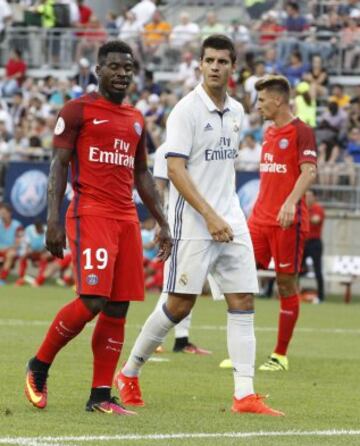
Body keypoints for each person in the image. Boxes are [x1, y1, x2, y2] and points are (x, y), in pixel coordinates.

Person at [113, 35, 284, 416]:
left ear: (233, 65)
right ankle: (129, 371)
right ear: (201, 65)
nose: (215, 67)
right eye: (209, 60)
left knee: (243, 300)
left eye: (223, 61)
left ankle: (244, 395)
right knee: (178, 304)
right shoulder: (185, 111)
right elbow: (174, 168)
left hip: (231, 219)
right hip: (193, 220)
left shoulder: (238, 110)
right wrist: (206, 216)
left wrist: (223, 215)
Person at [24, 40, 172, 416]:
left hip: (125, 217)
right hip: (90, 212)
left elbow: (141, 173)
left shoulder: (136, 118)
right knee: (92, 300)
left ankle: (100, 396)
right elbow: (58, 164)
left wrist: (163, 221)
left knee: (118, 307)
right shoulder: (78, 110)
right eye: (115, 67)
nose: (122, 73)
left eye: (128, 68)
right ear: (98, 70)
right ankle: (39, 365)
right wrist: (53, 219)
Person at [248, 74, 317, 372]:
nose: (258, 105)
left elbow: (309, 172)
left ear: (277, 100)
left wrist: (290, 202)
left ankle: (279, 355)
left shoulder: (302, 131)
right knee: (239, 277)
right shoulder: (267, 132)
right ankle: (242, 351)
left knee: (285, 283)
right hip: (259, 221)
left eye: (262, 100)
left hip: (287, 222)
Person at [152, 142, 212, 355]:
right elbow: (159, 186)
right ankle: (152, 337)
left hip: (200, 221)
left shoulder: (199, 144)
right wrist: (160, 222)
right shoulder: (165, 149)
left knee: (188, 283)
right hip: (176, 222)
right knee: (174, 285)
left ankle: (181, 340)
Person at [302, 190, 325, 302]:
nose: (308, 198)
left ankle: (320, 296)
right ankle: (295, 294)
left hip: (315, 243)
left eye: (310, 196)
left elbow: (316, 220)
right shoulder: (303, 208)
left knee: (317, 270)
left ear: (314, 197)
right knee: (296, 268)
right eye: (306, 196)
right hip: (304, 242)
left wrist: (304, 218)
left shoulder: (317, 208)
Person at [16, 220, 52, 286]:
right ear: (35, 228)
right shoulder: (29, 230)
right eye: (38, 229)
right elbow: (26, 245)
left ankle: (39, 280)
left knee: (44, 257)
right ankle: (21, 277)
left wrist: (38, 253)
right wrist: (28, 252)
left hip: (42, 252)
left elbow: (47, 247)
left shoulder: (47, 230)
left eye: (41, 228)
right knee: (23, 256)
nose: (40, 230)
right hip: (31, 251)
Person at [0, 202, 22, 285]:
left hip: (11, 250)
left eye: (4, 213)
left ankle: (2, 279)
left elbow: (18, 243)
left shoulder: (17, 226)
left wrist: (6, 248)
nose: (2, 215)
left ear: (10, 213)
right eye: (1, 213)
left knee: (11, 254)